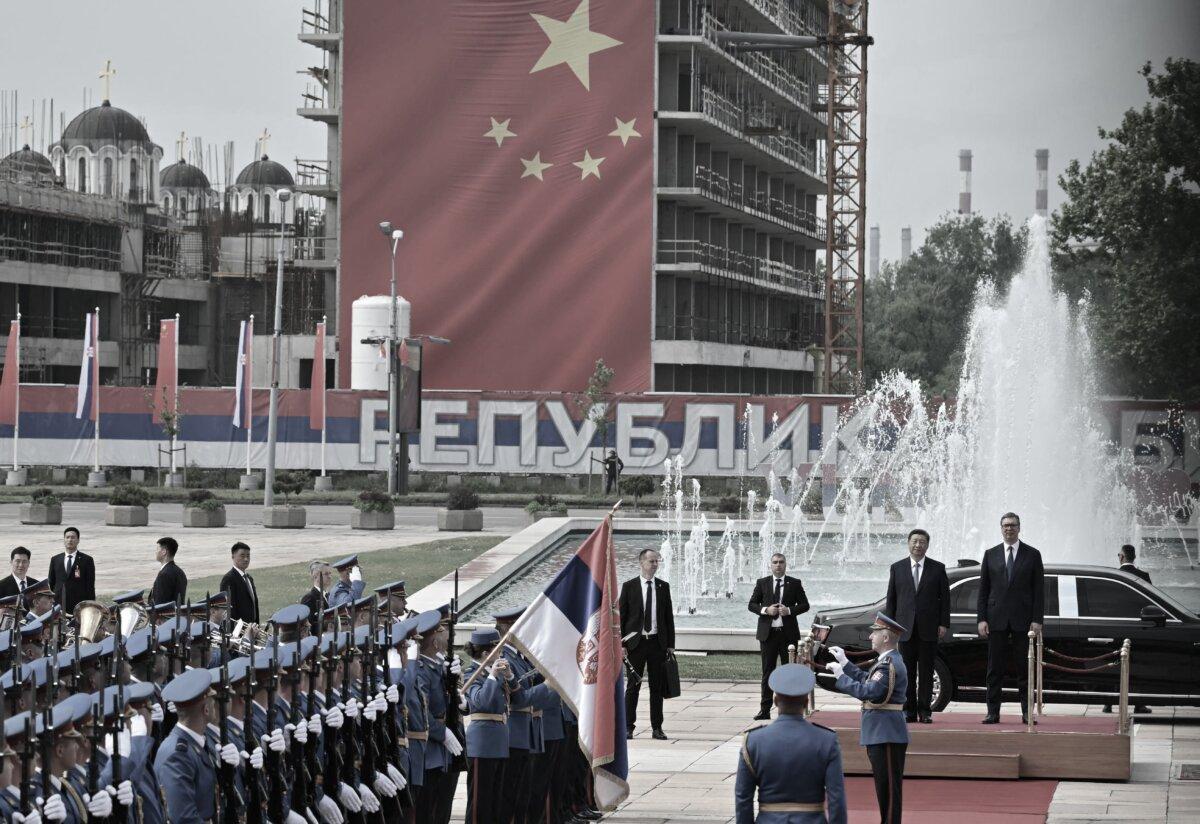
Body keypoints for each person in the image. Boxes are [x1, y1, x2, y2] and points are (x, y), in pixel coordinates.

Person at [734, 663, 846, 824]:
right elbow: (837, 798)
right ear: (807, 702)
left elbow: (743, 798)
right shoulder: (826, 740)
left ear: (775, 701)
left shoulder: (753, 741)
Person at [826, 613, 909, 824]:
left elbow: (869, 692)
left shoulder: (890, 664)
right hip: (881, 732)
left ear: (886, 638)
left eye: (876, 632)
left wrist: (841, 678)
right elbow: (867, 679)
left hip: (886, 734)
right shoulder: (886, 662)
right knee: (884, 790)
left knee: (889, 792)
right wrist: (844, 663)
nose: (871, 636)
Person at [977, 512, 1044, 724]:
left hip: (1023, 621)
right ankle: (992, 712)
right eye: (1005, 525)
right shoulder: (990, 554)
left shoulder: (1032, 555)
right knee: (994, 669)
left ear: (1019, 527)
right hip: (995, 620)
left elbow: (1039, 591)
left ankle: (1026, 712)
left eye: (1013, 525)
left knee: (1024, 669)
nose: (1009, 529)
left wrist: (1037, 619)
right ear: (1001, 528)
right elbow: (983, 590)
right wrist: (981, 619)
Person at [884, 528, 950, 723]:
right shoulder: (897, 568)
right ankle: (909, 711)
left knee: (927, 671)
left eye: (922, 542)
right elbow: (892, 600)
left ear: (927, 545)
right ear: (908, 543)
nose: (918, 545)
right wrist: (890, 626)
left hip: (929, 628)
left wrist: (943, 623)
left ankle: (925, 711)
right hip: (904, 629)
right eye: (915, 541)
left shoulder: (938, 568)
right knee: (906, 672)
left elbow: (945, 600)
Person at [618, 547, 675, 740]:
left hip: (657, 644)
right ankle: (628, 726)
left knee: (656, 687)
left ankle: (657, 727)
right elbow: (621, 617)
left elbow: (668, 618)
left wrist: (670, 645)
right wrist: (621, 644)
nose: (655, 564)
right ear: (642, 563)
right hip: (636, 644)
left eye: (657, 561)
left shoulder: (663, 586)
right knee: (633, 686)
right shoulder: (629, 586)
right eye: (652, 561)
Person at [747, 553, 809, 721]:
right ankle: (764, 710)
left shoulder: (794, 583)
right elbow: (751, 604)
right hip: (768, 635)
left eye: (781, 562)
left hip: (788, 635)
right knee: (767, 672)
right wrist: (766, 610)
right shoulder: (762, 583)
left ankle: (792, 710)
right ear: (771, 565)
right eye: (775, 562)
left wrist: (789, 610)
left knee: (790, 672)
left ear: (785, 564)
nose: (778, 565)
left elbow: (805, 605)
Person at [1105, 545, 1151, 715]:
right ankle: (1139, 704)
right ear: (1134, 557)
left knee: (1115, 665)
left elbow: (1108, 605)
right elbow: (1148, 604)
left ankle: (1108, 703)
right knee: (1137, 667)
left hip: (1117, 628)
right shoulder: (1144, 576)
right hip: (1138, 628)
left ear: (1122, 557)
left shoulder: (1115, 576)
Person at [47, 526, 96, 616]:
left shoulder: (87, 560)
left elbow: (90, 585)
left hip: (78, 604)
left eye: (73, 537)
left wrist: (90, 605)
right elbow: (52, 581)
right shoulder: (55, 559)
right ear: (64, 540)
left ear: (78, 540)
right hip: (59, 603)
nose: (70, 540)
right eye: (67, 537)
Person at [220, 542, 261, 625]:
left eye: (248, 556)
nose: (246, 559)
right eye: (242, 556)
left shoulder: (249, 578)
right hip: (238, 631)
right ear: (233, 557)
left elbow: (254, 606)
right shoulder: (229, 579)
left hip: (252, 629)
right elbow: (229, 610)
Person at [149, 537, 188, 608]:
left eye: (157, 549)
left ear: (164, 552)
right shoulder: (180, 571)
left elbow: (160, 603)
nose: (155, 552)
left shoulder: (164, 574)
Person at [301, 560, 332, 633]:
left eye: (330, 573)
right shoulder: (309, 598)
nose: (330, 576)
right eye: (326, 574)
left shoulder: (328, 595)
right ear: (315, 576)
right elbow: (309, 625)